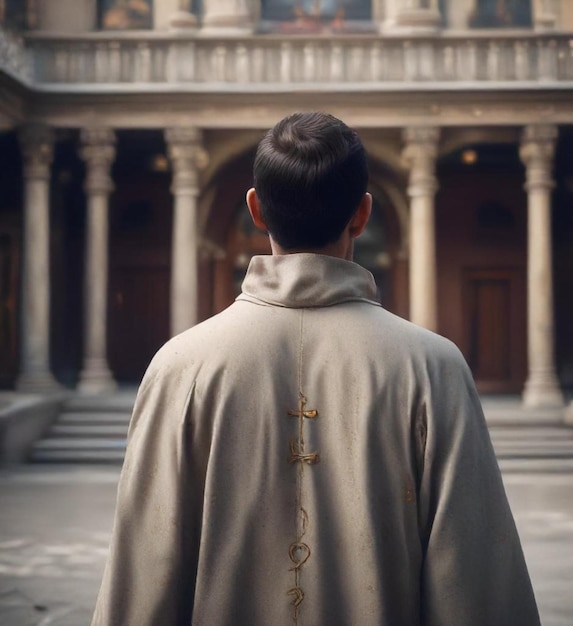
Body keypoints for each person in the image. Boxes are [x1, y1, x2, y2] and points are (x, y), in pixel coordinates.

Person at [92, 112, 540, 625]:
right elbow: (476, 579)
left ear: (256, 210)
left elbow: (143, 574)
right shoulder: (432, 368)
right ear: (362, 213)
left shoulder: (180, 368)